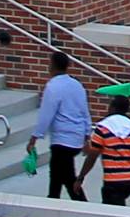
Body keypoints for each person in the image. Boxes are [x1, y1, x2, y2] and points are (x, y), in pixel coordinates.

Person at [27, 54, 91, 201]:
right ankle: (52, 199)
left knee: (67, 177)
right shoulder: (77, 85)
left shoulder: (53, 86)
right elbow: (85, 111)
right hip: (77, 137)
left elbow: (46, 114)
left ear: (53, 66)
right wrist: (87, 135)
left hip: (62, 139)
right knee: (56, 174)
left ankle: (83, 205)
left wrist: (34, 138)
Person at [92, 94, 130, 207]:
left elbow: (92, 156)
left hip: (113, 180)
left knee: (113, 212)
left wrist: (81, 177)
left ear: (112, 108)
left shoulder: (103, 128)